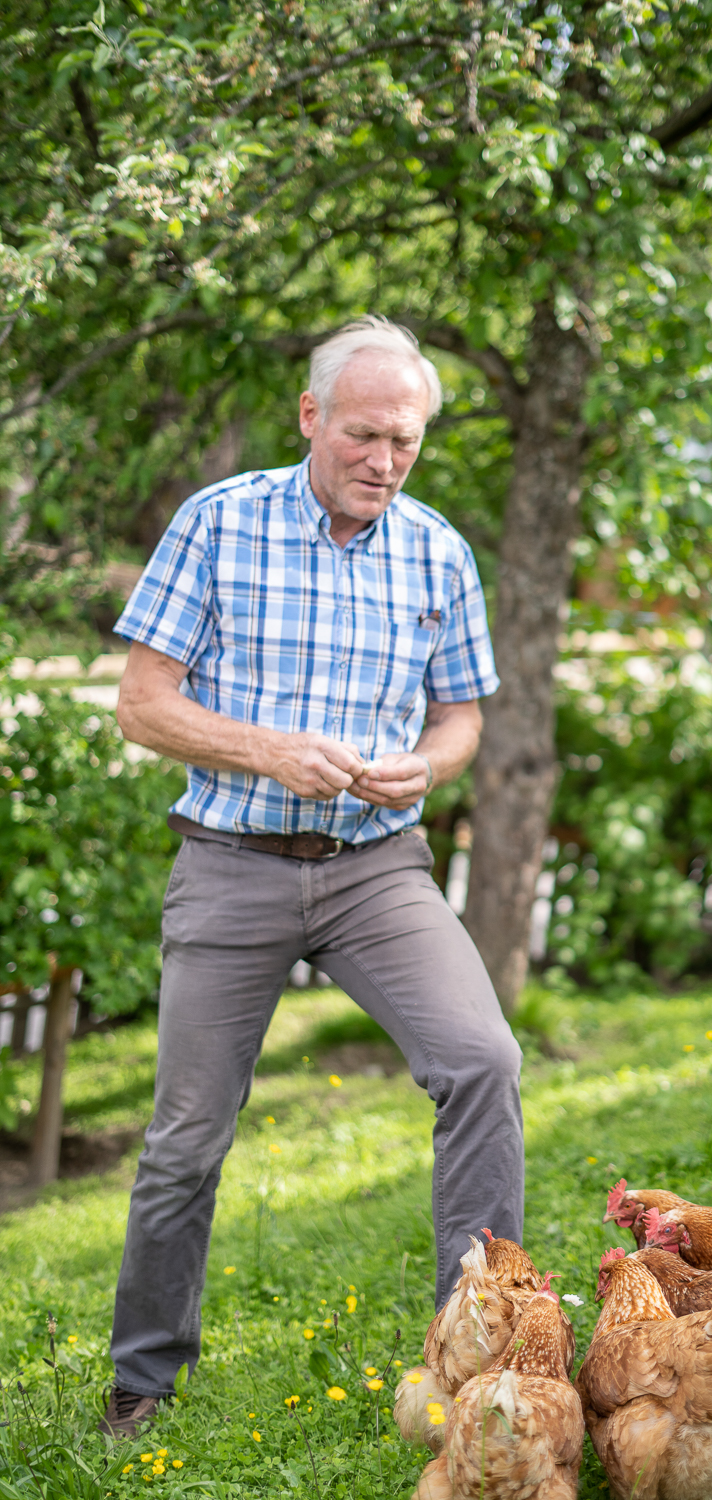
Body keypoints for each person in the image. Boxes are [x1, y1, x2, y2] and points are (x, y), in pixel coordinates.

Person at [99, 316, 524, 1438]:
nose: (385, 462)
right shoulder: (220, 524)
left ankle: (479, 1355)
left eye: (407, 442)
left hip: (378, 870)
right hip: (232, 861)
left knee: (481, 1060)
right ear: (311, 419)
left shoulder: (437, 550)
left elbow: (463, 717)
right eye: (366, 436)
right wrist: (270, 750)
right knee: (187, 1136)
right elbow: (142, 703)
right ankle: (141, 1384)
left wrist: (421, 768)